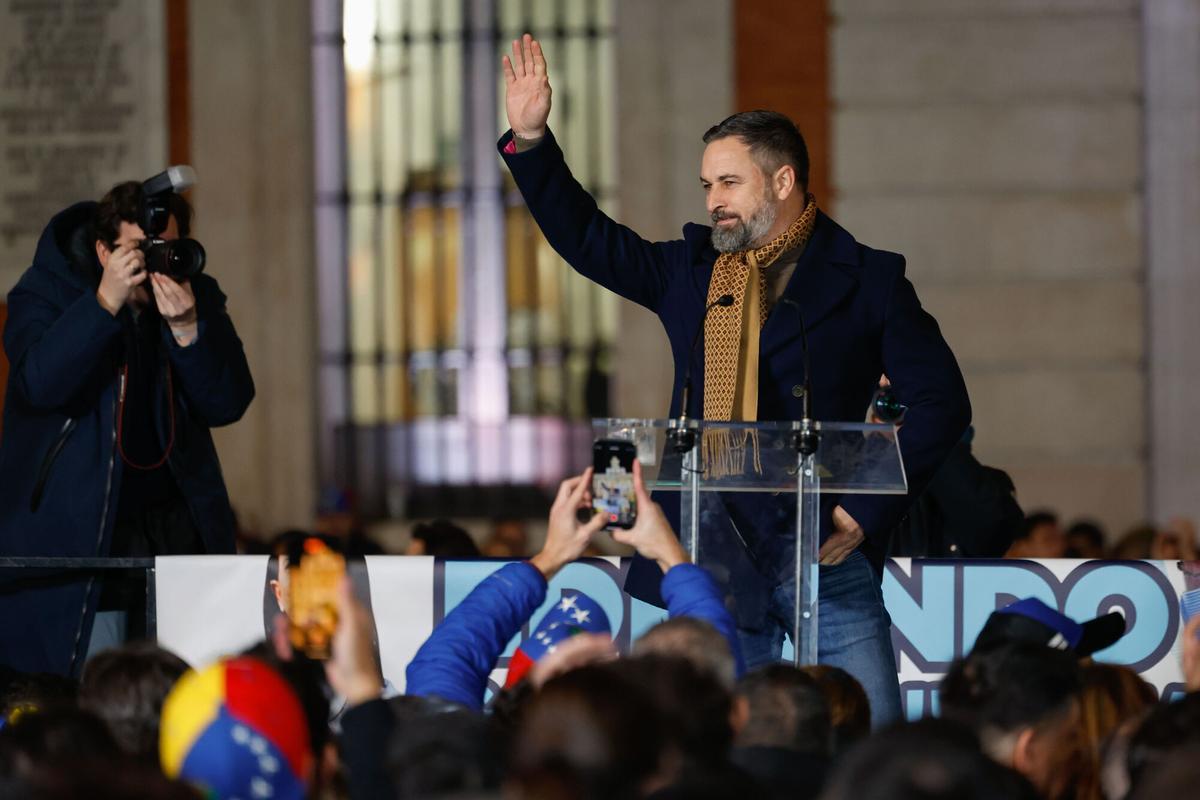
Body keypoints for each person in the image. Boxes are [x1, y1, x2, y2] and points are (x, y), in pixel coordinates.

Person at [498, 34, 970, 725]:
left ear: (782, 182)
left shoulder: (871, 280)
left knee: (869, 735)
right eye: (707, 186)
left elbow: (941, 403)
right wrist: (534, 141)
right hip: (713, 555)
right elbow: (587, 238)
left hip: (825, 553)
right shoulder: (688, 273)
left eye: (729, 183)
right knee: (720, 741)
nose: (713, 200)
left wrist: (862, 514)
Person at [0, 181, 254, 676]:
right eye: (141, 249)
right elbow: (39, 386)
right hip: (84, 545)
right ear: (104, 251)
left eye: (167, 248)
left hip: (175, 539)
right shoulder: (46, 293)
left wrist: (187, 330)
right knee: (103, 693)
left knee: (181, 690)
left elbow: (228, 402)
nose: (155, 263)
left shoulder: (194, 294)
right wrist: (103, 305)